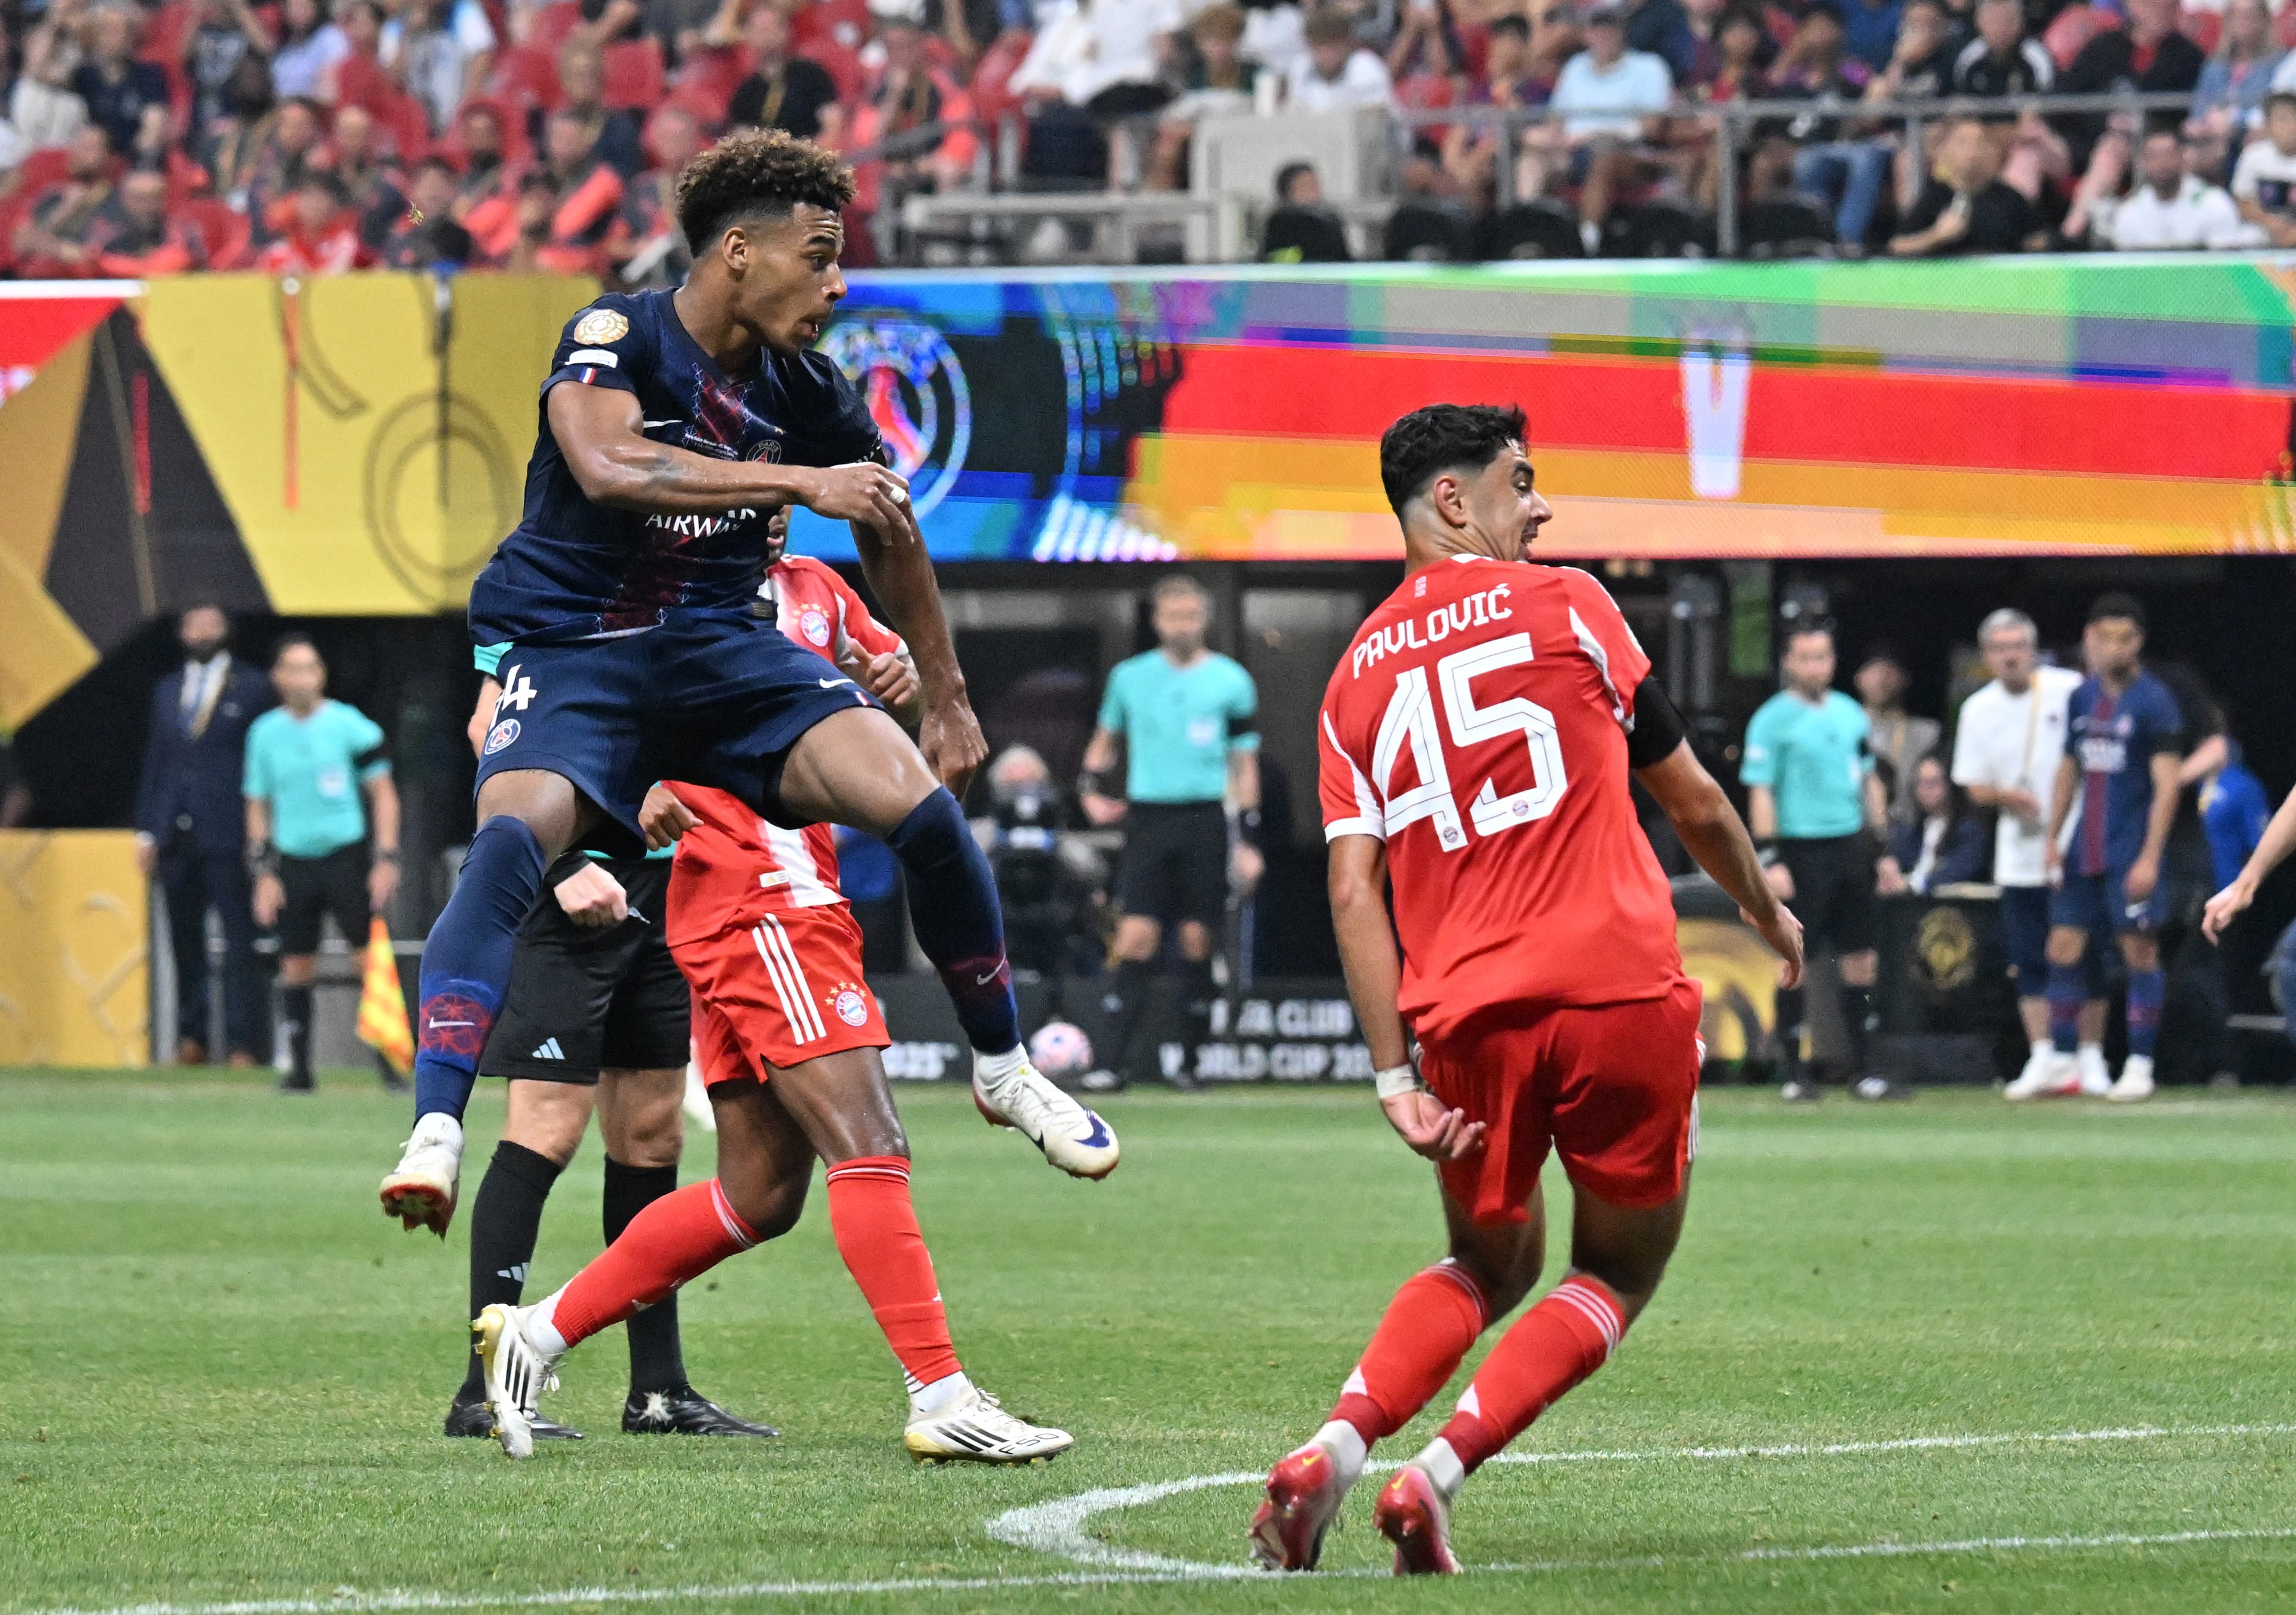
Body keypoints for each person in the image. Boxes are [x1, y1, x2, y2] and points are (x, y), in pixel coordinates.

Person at [378, 129, 1115, 1240]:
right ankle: (435, 1128)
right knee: (512, 839)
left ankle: (1004, 1068)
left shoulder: (806, 386)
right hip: (578, 644)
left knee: (918, 805)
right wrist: (802, 479)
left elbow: (885, 519)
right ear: (736, 252)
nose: (838, 281)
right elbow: (610, 465)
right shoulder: (616, 333)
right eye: (818, 255)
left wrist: (952, 698)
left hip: (718, 650)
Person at [1249, 403, 1802, 1576]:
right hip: (1616, 997)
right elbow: (1693, 800)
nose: (1539, 506)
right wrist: (1760, 905)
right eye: (1520, 482)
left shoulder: (1350, 684)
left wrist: (1393, 1073)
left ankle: (1336, 1445)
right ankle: (1435, 1472)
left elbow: (1355, 892)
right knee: (1614, 1268)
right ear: (1454, 502)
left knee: (1483, 1266)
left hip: (1463, 1023)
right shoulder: (1576, 607)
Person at [468, 517, 1073, 1467]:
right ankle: (943, 1394)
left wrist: (902, 680)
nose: (769, 503)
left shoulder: (810, 587)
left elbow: (882, 664)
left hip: (766, 900)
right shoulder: (650, 600)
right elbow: (537, 721)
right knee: (870, 1143)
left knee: (760, 1193)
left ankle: (533, 1336)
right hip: (762, 897)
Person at [443, 686, 774, 1444]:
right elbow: (488, 729)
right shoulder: (550, 588)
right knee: (545, 1130)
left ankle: (657, 1391)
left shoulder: (686, 597)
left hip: (668, 883)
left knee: (654, 1137)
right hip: (573, 882)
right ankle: (480, 1390)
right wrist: (555, 863)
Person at [1078, 575, 1263, 1091]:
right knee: (1136, 936)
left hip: (1205, 817)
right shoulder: (1129, 678)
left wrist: (1247, 838)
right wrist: (1089, 789)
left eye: (1191, 615)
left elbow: (1243, 763)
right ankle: (1111, 1065)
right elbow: (1104, 742)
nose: (1182, 625)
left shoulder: (1230, 680)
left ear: (1204, 619)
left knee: (1198, 939)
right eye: (1172, 616)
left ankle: (1190, 1064)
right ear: (1157, 621)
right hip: (1149, 818)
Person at [1741, 624, 1896, 1101]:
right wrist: (1769, 857)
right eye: (1806, 657)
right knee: (1794, 959)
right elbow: (1761, 789)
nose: (1816, 666)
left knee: (1861, 959)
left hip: (1849, 844)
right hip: (1800, 848)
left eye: (1823, 656)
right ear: (1790, 662)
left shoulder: (1851, 713)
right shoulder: (1771, 720)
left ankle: (1865, 1070)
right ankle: (1795, 1072)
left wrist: (1883, 847)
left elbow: (1869, 779)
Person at [243, 636, 401, 1092]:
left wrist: (386, 857)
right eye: (292, 669)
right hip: (293, 859)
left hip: (346, 856)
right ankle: (299, 1070)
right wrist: (263, 871)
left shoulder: (350, 726)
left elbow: (384, 793)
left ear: (322, 674)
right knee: (295, 966)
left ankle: (390, 1066)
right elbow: (257, 804)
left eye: (310, 668)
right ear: (277, 677)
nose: (302, 678)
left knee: (369, 960)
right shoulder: (264, 734)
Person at [2041, 594, 2184, 1104]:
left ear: (2138, 643)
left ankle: (2140, 1064)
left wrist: (2149, 856)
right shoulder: (2081, 698)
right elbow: (2069, 770)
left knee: (2138, 952)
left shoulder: (2155, 701)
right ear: (2089, 639)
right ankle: (2061, 1059)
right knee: (2062, 946)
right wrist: (2052, 838)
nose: (2112, 647)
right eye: (2104, 637)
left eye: (2123, 638)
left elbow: (2168, 785)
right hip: (2084, 849)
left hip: (2129, 850)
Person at [1950, 609, 2087, 1098]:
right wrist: (2010, 798)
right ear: (1987, 655)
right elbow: (1972, 784)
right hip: (2018, 851)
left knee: (2079, 951)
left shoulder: (2068, 688)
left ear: (2034, 649)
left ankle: (2084, 1055)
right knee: (2029, 956)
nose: (2011, 656)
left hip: (2074, 844)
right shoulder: (1977, 710)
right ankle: (2044, 1053)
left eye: (2019, 646)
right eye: (2001, 648)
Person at [135, 605, 275, 1068]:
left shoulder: (253, 686)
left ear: (226, 630)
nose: (202, 631)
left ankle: (241, 1043)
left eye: (211, 623)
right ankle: (192, 1038)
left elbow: (262, 761)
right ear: (180, 632)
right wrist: (148, 830)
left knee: (239, 941)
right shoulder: (165, 689)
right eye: (194, 623)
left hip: (229, 833)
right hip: (177, 835)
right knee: (184, 942)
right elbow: (157, 762)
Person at [1888, 113, 2039, 256]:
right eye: (1963, 142)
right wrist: (1936, 236)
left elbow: (2038, 241)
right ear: (1946, 150)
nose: (1972, 151)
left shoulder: (2010, 199)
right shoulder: (1935, 197)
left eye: (1980, 142)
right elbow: (1898, 246)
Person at [2102, 129, 2257, 249]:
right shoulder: (2130, 213)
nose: (2162, 164)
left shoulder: (2214, 203)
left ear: (2182, 157)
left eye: (2168, 155)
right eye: (2154, 157)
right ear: (2142, 162)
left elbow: (2226, 264)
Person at [1878, 755, 1986, 897]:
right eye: (1920, 783)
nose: (1925, 790)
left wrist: (1912, 885)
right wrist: (1889, 866)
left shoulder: (1970, 830)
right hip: (1907, 903)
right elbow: (1901, 859)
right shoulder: (1912, 830)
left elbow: (1958, 871)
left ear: (1949, 784)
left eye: (1932, 783)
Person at [1854, 647, 1937, 827]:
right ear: (1858, 678)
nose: (1882, 679)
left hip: (1907, 827)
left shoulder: (1926, 733)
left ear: (1905, 679)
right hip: (1852, 829)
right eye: (1874, 670)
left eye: (1890, 671)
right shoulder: (1841, 727)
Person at [2232, 91, 2296, 248]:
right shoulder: (2254, 156)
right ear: (2268, 125)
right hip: (2265, 231)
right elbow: (2242, 201)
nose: (2290, 127)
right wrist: (2270, 222)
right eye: (2282, 120)